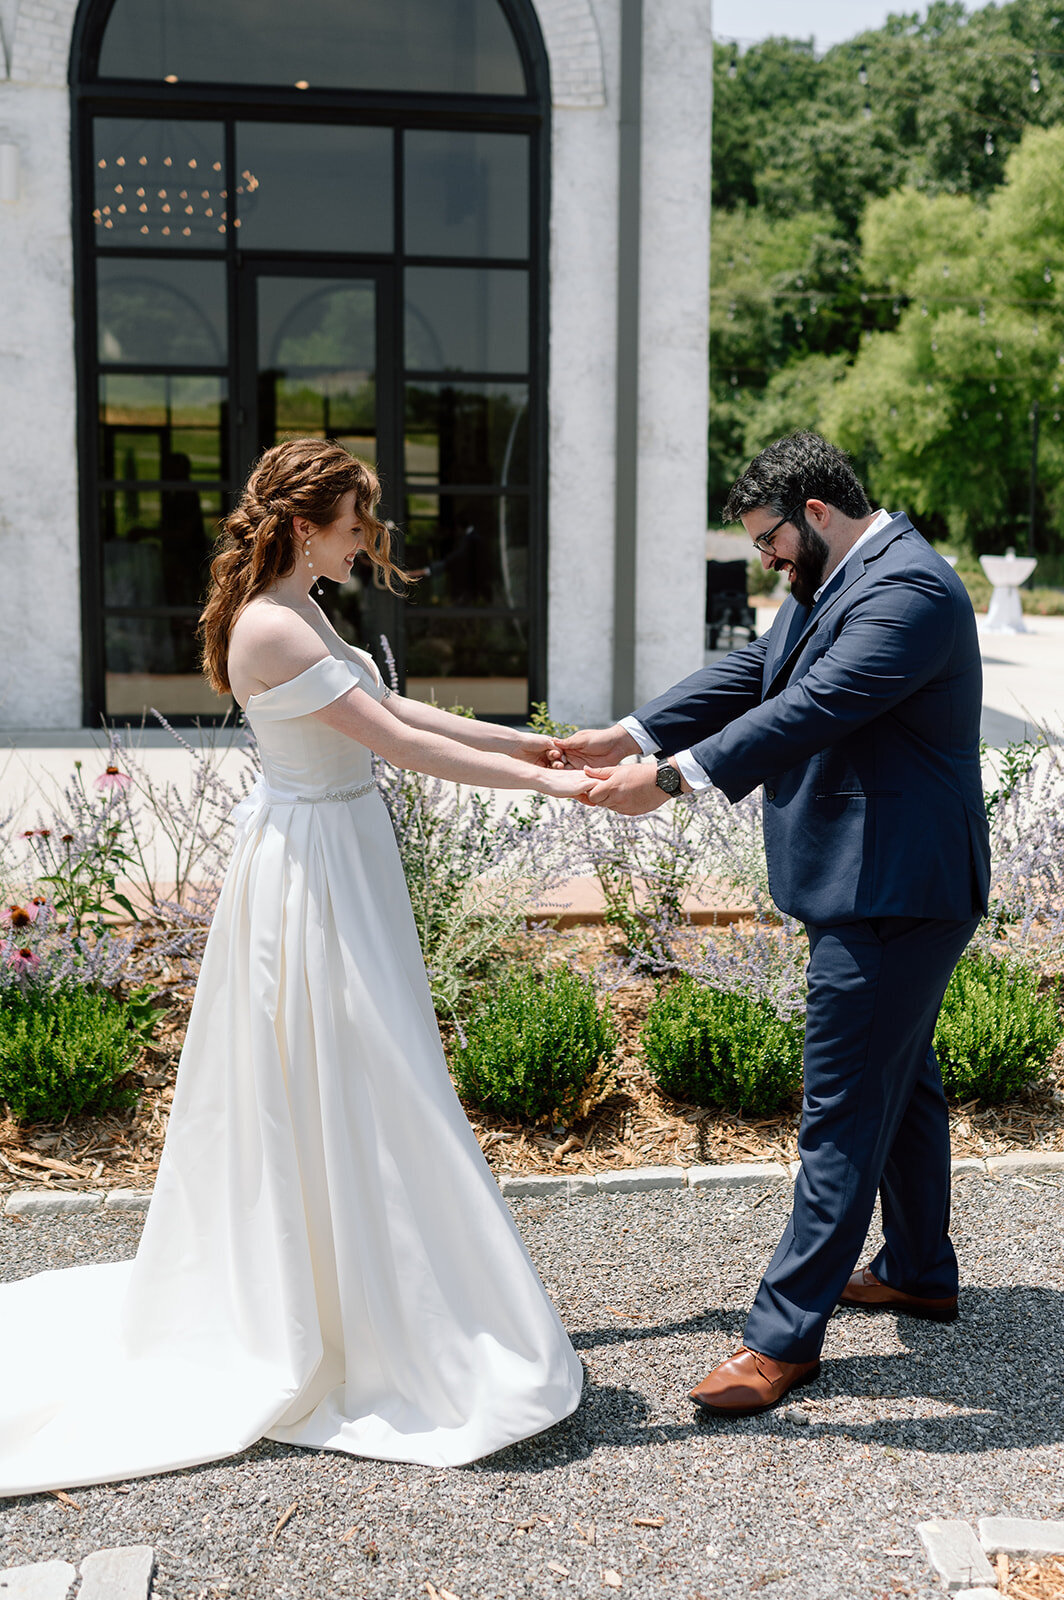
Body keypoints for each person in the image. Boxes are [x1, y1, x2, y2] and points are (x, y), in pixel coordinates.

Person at [0, 439, 590, 1496]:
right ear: (308, 523)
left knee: (360, 1072)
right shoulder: (272, 622)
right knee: (360, 1074)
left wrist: (531, 745)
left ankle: (358, 1292)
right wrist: (546, 787)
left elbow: (401, 714)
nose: (370, 537)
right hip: (314, 866)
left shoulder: (300, 601)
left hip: (333, 848)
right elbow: (391, 744)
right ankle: (357, 1315)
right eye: (358, 520)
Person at [554, 432, 990, 1417]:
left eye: (768, 541)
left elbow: (818, 704)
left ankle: (780, 1338)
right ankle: (919, 1267)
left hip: (889, 893)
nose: (766, 560)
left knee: (838, 1114)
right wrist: (628, 732)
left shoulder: (906, 590)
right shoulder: (835, 581)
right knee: (900, 1082)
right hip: (878, 888)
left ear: (819, 513)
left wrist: (668, 780)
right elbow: (759, 673)